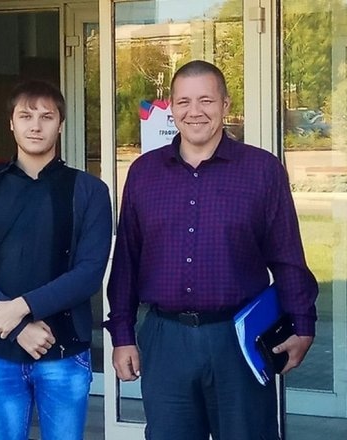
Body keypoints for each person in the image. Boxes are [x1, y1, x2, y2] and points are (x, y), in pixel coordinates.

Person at [104, 60, 319, 440]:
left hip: (238, 339)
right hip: (165, 340)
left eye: (206, 100)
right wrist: (122, 334)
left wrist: (303, 323)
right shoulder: (144, 173)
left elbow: (287, 255)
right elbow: (126, 262)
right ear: (172, 107)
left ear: (225, 105)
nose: (195, 111)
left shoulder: (262, 171)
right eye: (184, 101)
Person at [0, 79, 112, 440]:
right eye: (26, 116)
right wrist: (18, 327)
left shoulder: (89, 190)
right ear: (11, 123)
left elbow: (89, 272)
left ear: (61, 124)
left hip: (63, 352)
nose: (36, 126)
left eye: (46, 116)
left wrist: (22, 307)